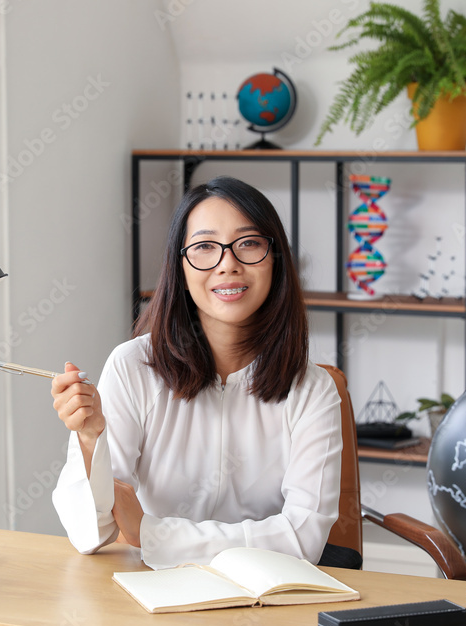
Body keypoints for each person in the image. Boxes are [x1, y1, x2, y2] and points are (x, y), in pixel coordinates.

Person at [50, 176, 343, 570]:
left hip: (267, 598)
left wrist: (151, 533)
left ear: (275, 259)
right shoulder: (132, 366)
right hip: (155, 594)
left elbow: (303, 540)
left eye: (249, 244)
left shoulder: (313, 389)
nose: (228, 264)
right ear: (181, 264)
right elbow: (90, 533)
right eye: (205, 247)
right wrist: (90, 440)